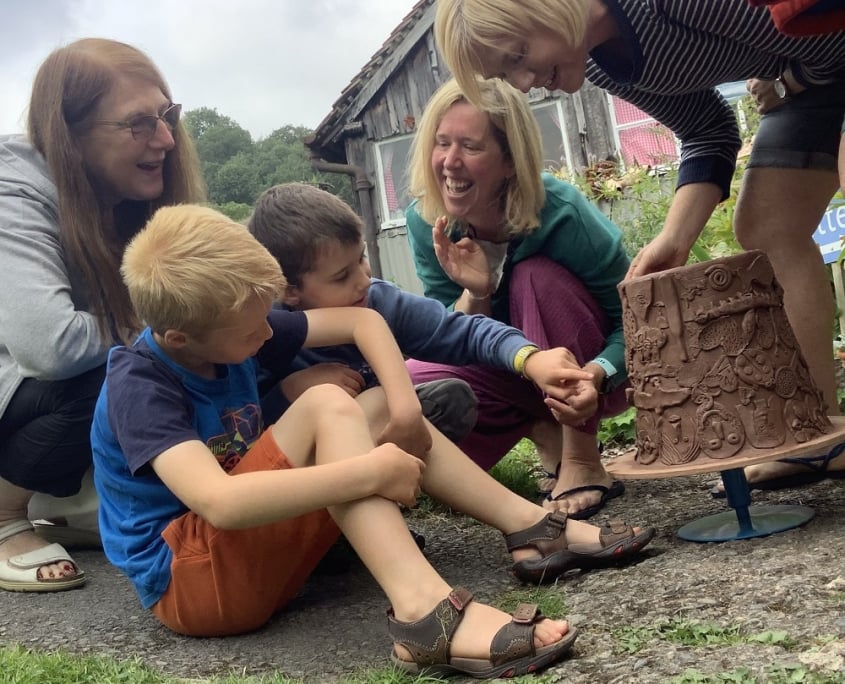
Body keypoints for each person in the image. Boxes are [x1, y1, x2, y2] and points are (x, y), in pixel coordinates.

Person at [91, 205, 654, 678]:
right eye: (252, 331)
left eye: (267, 318)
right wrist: (373, 471)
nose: (268, 334)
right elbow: (221, 503)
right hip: (193, 582)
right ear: (179, 338)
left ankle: (531, 527)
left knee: (376, 403)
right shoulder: (140, 384)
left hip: (242, 556)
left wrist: (405, 411)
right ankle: (423, 613)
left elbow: (362, 324)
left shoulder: (229, 324)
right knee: (326, 404)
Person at [433, 0, 845, 491]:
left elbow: (830, 31)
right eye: (506, 73)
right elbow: (707, 129)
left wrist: (785, 79)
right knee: (768, 227)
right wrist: (674, 238)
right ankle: (818, 437)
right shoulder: (601, 63)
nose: (523, 83)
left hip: (828, 54)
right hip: (812, 84)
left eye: (519, 55)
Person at [0, 38, 204, 593]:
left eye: (166, 116)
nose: (166, 139)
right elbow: (51, 347)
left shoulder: (128, 199)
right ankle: (5, 514)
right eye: (139, 124)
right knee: (125, 368)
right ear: (69, 135)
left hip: (46, 405)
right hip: (22, 386)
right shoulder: (13, 194)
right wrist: (181, 316)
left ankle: (75, 508)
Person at [404, 76, 632, 520]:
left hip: (593, 373)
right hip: (514, 370)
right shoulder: (426, 220)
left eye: (470, 146)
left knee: (535, 278)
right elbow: (447, 336)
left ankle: (583, 458)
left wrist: (599, 373)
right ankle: (541, 427)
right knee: (403, 382)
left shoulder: (561, 211)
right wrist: (476, 291)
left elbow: (638, 318)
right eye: (442, 143)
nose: (450, 162)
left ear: (510, 161)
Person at [248, 182, 600, 459]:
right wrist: (289, 392)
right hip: (299, 461)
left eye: (361, 259)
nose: (364, 279)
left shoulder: (379, 300)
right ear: (289, 291)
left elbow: (462, 333)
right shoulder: (263, 332)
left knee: (450, 401)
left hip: (380, 432)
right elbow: (240, 424)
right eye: (342, 276)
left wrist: (530, 358)